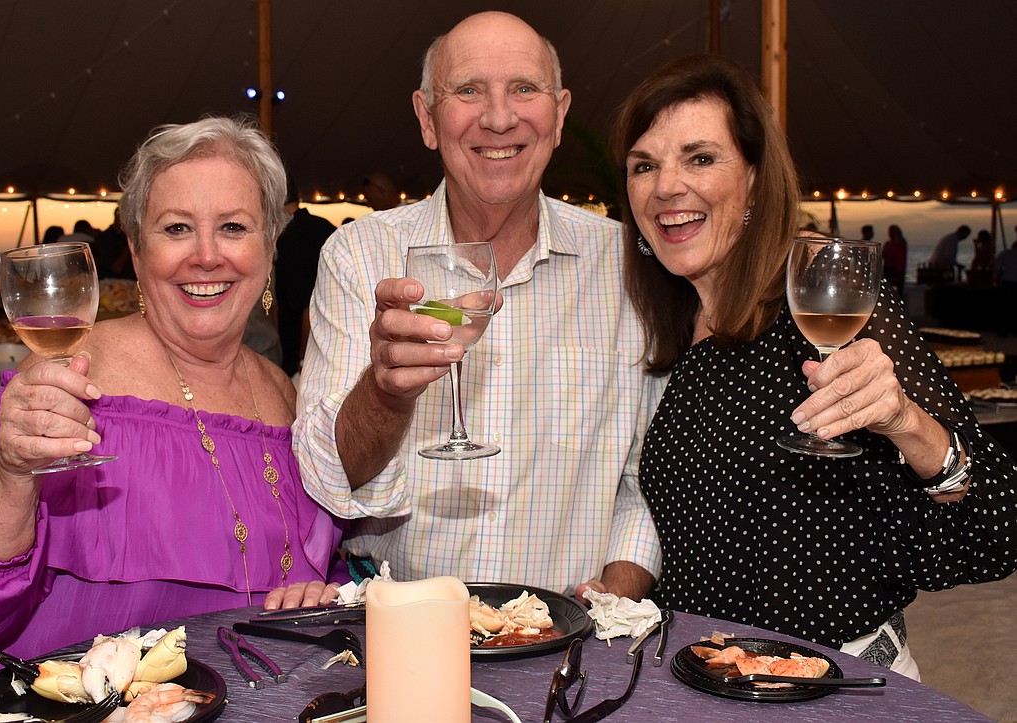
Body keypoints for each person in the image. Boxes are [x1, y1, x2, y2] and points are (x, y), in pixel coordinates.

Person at [614, 53, 1017, 677]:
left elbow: (996, 530)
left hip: (828, 684)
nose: (667, 186)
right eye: (645, 165)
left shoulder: (820, 302)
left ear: (754, 179)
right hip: (705, 680)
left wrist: (908, 424)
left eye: (700, 158)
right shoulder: (675, 328)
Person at [0, 116, 346, 684]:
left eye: (234, 227)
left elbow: (312, 563)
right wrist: (10, 470)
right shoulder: (67, 380)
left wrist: (314, 595)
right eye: (176, 228)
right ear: (137, 253)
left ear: (269, 248)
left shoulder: (285, 393)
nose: (206, 256)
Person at [294, 11, 664, 601]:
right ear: (427, 118)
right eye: (468, 90)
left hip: (574, 630)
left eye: (524, 88)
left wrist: (613, 603)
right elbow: (329, 476)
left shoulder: (628, 265)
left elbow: (648, 478)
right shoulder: (360, 255)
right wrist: (385, 393)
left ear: (559, 114)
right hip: (401, 623)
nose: (498, 117)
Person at [274, 175, 337, 376]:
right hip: (331, 351)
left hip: (305, 362)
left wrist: (303, 360)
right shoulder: (323, 226)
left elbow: (308, 306)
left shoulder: (292, 236)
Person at [882, 223, 908, 296]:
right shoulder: (887, 244)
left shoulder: (901, 243)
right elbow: (883, 255)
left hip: (898, 271)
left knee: (898, 293)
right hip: (888, 270)